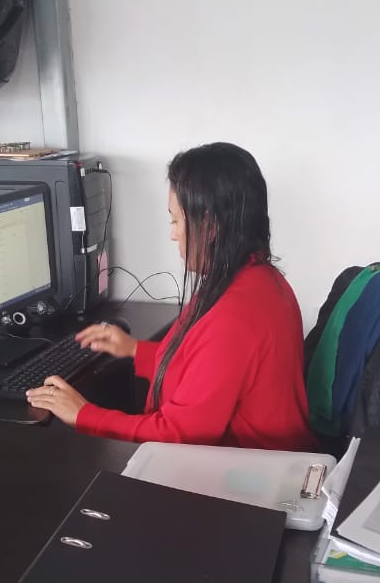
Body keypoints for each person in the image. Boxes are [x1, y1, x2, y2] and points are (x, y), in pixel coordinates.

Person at [27, 142, 315, 451]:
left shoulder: (234, 317)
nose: (173, 234)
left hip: (247, 471)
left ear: (210, 227)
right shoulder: (257, 278)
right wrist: (135, 350)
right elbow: (203, 370)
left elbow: (179, 436)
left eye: (175, 221)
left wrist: (83, 414)